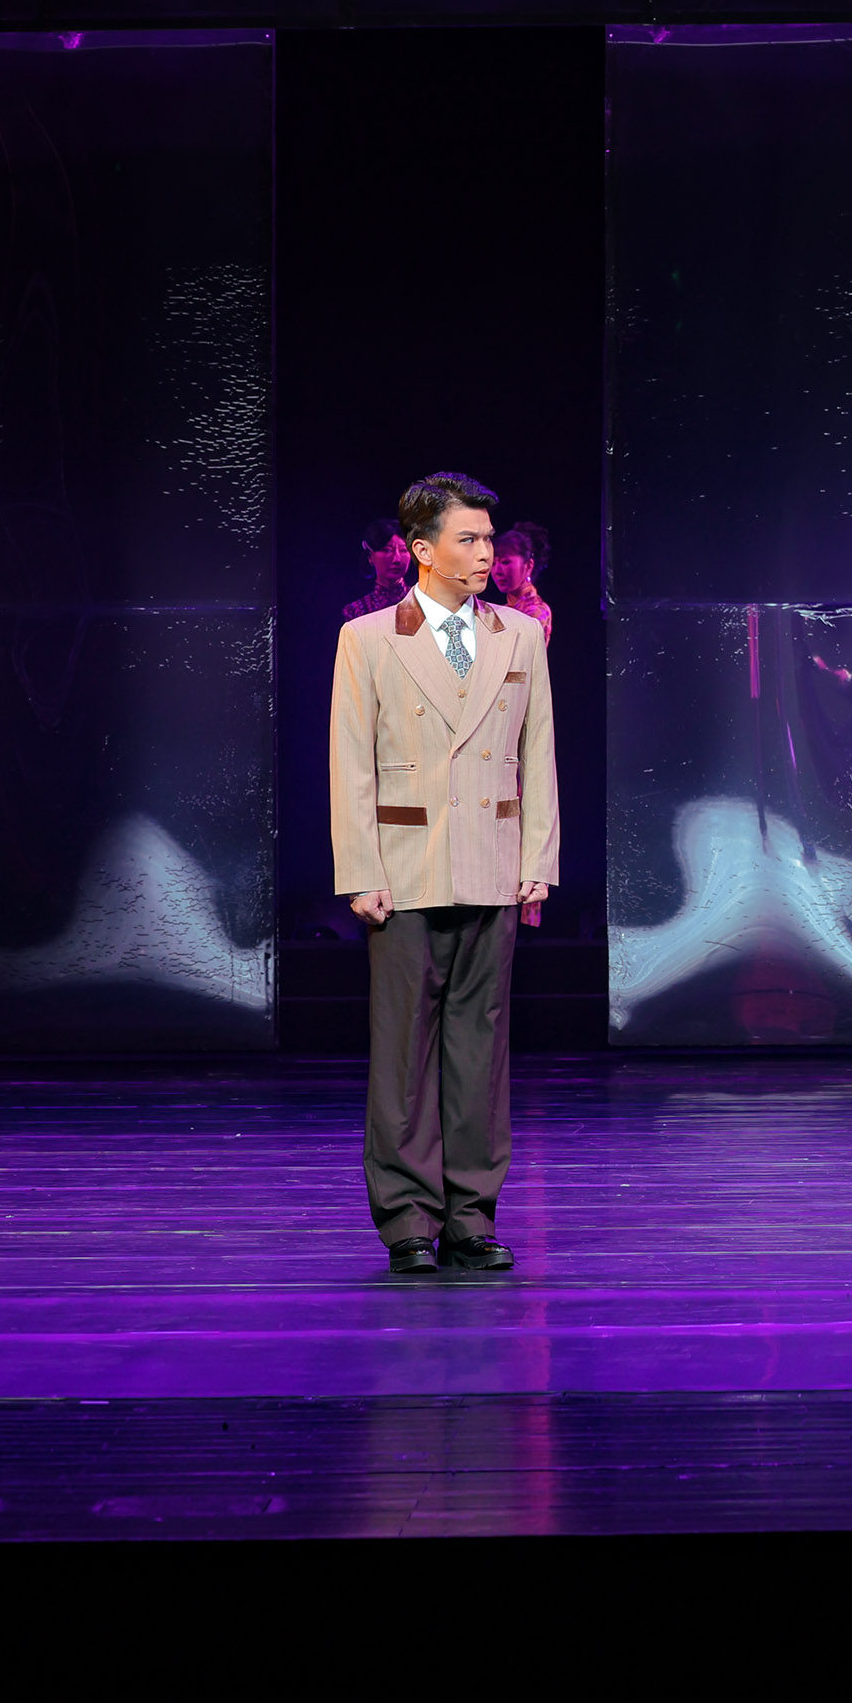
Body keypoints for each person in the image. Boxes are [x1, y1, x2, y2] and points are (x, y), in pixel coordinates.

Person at [329, 469, 556, 1277]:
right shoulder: (367, 638)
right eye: (470, 538)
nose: (487, 552)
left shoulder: (518, 634)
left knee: (480, 1050)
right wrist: (360, 870)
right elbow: (351, 762)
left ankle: (470, 1216)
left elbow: (538, 752)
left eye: (490, 538)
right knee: (402, 1054)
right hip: (405, 867)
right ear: (422, 550)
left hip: (490, 863)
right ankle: (406, 1219)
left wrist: (538, 859)